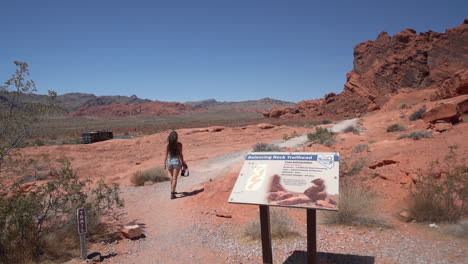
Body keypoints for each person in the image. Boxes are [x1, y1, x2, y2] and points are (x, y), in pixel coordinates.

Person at [164, 131, 187, 199]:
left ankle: (173, 190)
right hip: (176, 162)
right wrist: (183, 162)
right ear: (176, 137)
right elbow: (181, 154)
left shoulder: (168, 145)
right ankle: (172, 193)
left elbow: (165, 155)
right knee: (175, 178)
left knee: (171, 177)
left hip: (169, 162)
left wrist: (164, 163)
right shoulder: (179, 144)